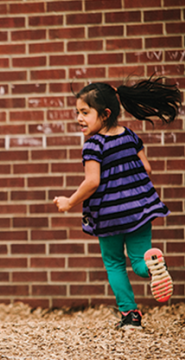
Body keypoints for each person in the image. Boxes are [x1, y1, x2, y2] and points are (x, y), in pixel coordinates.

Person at [53, 77, 181, 330]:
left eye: (84, 112)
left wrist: (69, 202)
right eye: (77, 112)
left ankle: (130, 315)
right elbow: (147, 167)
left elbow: (92, 182)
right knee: (139, 262)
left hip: (109, 214)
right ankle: (155, 266)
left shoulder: (93, 144)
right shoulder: (130, 135)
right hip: (140, 210)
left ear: (105, 113)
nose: (78, 118)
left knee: (114, 263)